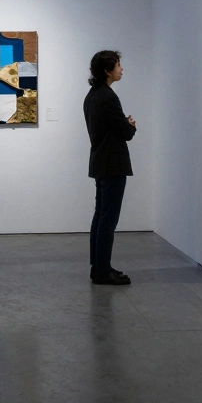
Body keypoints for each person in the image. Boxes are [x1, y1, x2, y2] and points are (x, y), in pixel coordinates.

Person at [83, 49, 137, 286]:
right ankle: (103, 271)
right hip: (113, 163)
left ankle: (99, 266)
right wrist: (130, 124)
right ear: (107, 70)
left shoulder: (92, 95)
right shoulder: (108, 97)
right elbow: (125, 132)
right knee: (108, 219)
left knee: (100, 216)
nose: (121, 69)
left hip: (100, 161)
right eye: (118, 65)